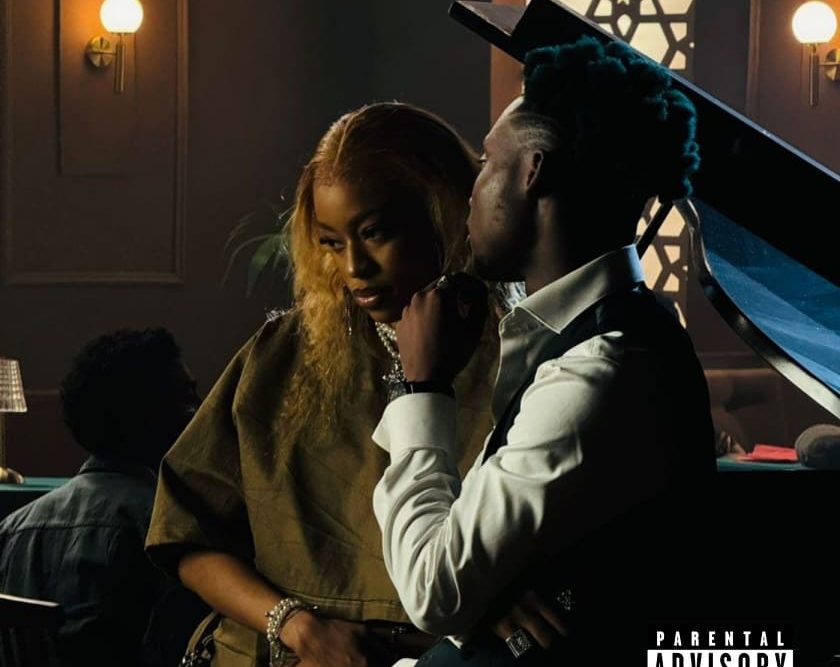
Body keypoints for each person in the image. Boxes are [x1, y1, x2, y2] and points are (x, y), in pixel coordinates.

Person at [371, 37, 716, 666]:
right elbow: (477, 567)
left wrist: (421, 387)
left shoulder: (601, 371)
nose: (471, 190)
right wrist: (489, 591)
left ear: (532, 171)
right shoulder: (594, 335)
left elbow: (433, 588)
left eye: (486, 163)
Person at [144, 102, 503, 667]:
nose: (354, 267)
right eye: (332, 242)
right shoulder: (280, 354)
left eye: (375, 232)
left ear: (443, 211)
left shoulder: (522, 353)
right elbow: (185, 537)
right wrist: (295, 625)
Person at [0, 328, 203, 667]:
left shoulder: (12, 528)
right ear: (145, 414)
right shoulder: (168, 531)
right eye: (187, 399)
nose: (201, 413)